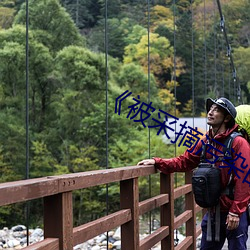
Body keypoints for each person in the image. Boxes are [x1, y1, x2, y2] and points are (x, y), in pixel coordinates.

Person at [137, 97, 250, 250]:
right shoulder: (205, 141)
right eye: (210, 109)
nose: (210, 112)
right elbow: (185, 161)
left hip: (233, 211)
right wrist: (158, 162)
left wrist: (236, 212)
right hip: (213, 210)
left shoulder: (238, 143)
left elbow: (244, 180)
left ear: (227, 118)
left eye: (216, 110)